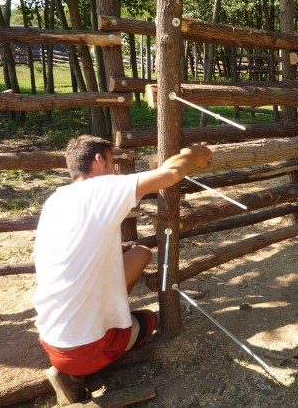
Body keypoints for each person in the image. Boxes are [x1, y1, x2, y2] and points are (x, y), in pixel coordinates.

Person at [32, 135, 212, 405]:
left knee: (140, 253)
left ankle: (87, 345)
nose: (115, 170)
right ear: (99, 160)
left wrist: (183, 154)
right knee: (148, 321)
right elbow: (170, 174)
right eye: (113, 162)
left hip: (50, 338)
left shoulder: (56, 200)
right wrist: (195, 153)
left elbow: (163, 170)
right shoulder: (101, 188)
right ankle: (75, 375)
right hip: (82, 351)